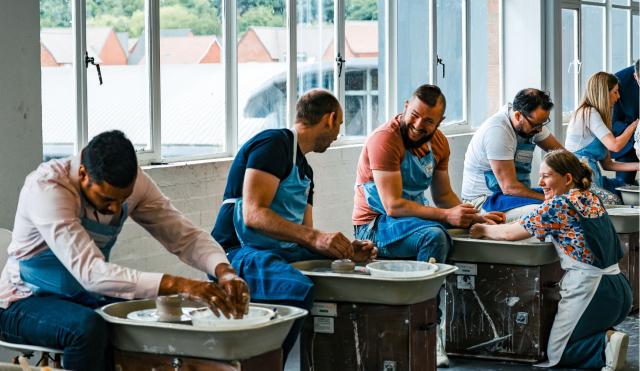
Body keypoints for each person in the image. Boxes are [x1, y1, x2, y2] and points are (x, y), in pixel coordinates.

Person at [0, 130, 249, 371]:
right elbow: (91, 273)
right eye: (107, 199)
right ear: (83, 174)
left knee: (153, 316)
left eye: (123, 198)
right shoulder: (48, 188)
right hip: (22, 301)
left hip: (83, 296)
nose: (115, 207)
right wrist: (181, 285)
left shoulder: (136, 182)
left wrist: (224, 270)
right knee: (86, 329)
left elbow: (184, 235)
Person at [212, 89, 377, 362]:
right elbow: (253, 214)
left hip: (279, 250)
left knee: (349, 273)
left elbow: (306, 236)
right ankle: (269, 364)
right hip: (235, 251)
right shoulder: (273, 144)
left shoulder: (306, 172)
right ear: (330, 118)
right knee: (295, 288)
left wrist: (346, 251)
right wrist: (315, 238)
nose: (338, 134)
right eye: (339, 125)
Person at [352, 84, 503, 367]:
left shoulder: (440, 144)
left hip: (414, 221)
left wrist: (473, 216)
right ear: (406, 105)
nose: (419, 124)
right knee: (434, 236)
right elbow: (393, 205)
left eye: (429, 121)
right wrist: (446, 217)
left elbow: (444, 196)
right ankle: (427, 333)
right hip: (375, 226)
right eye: (415, 115)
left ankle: (465, 330)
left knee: (467, 232)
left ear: (440, 122)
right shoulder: (385, 139)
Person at [470, 150, 632, 371]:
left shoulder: (558, 206)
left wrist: (483, 229)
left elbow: (510, 234)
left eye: (546, 176)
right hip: (619, 288)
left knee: (558, 353)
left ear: (566, 178)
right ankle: (607, 336)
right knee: (574, 335)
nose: (540, 182)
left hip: (593, 291)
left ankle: (604, 345)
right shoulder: (590, 197)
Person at [461, 89, 564, 222]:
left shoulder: (530, 123)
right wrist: (549, 199)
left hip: (512, 195)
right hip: (484, 201)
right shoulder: (498, 131)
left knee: (567, 199)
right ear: (517, 116)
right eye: (536, 125)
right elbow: (510, 187)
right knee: (551, 210)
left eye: (542, 123)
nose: (539, 129)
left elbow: (562, 156)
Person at [565, 71, 639, 203]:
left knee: (630, 190)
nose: (618, 97)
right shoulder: (588, 112)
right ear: (604, 93)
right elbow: (615, 146)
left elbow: (608, 165)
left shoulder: (597, 116)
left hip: (593, 176)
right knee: (614, 200)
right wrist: (634, 125)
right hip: (581, 179)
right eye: (615, 92)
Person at [612, 60, 640, 184]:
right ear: (636, 76)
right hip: (627, 141)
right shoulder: (618, 81)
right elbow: (613, 123)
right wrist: (636, 128)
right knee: (623, 185)